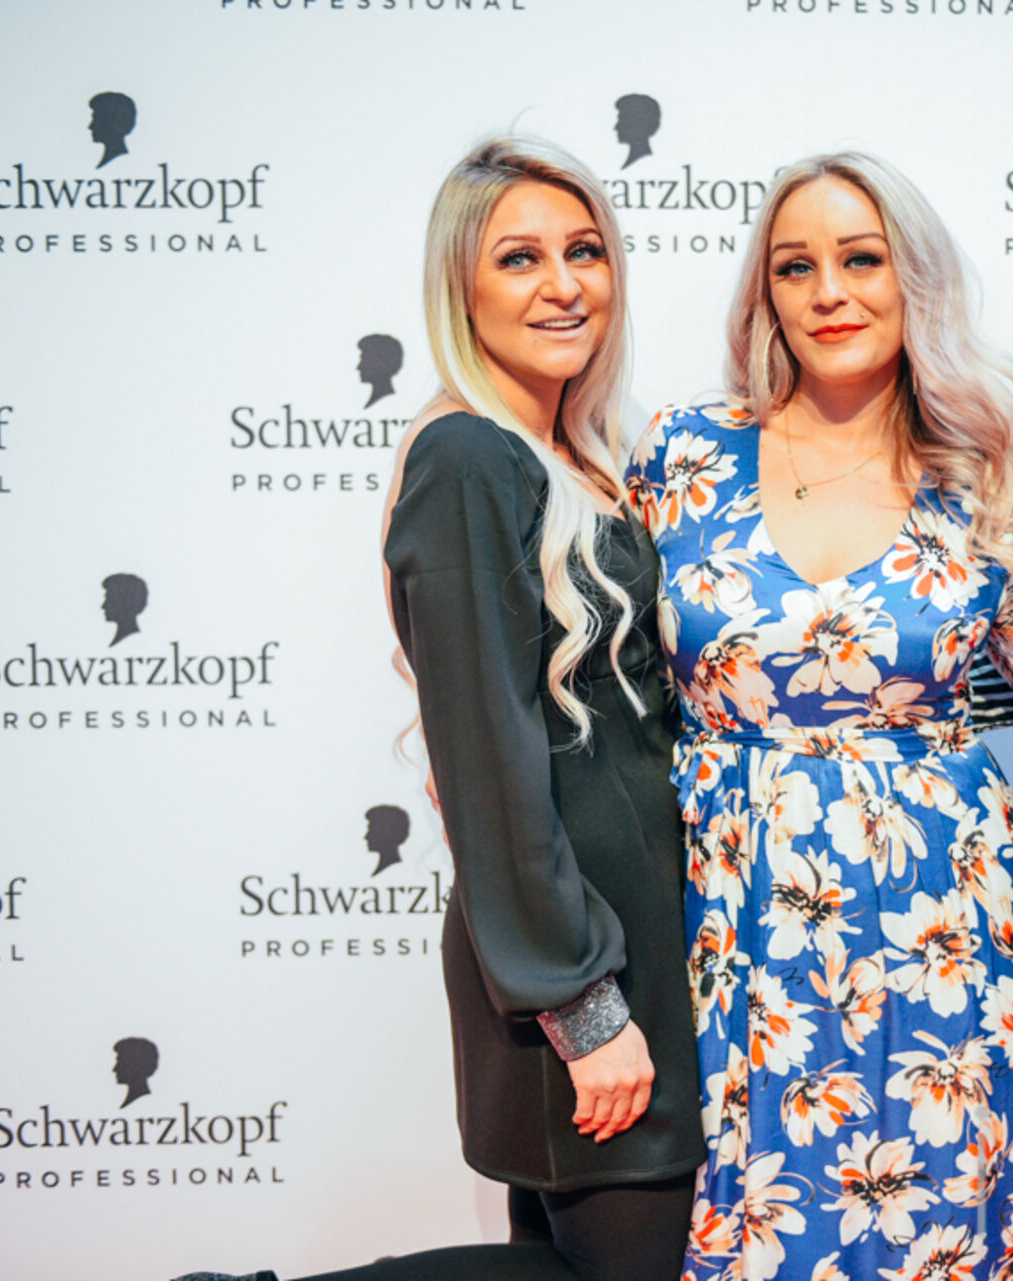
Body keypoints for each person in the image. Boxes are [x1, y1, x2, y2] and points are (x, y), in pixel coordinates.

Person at [625, 152, 1013, 1281]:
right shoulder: (683, 452)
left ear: (914, 276)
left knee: (943, 1225)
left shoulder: (989, 470)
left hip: (949, 927)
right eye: (795, 267)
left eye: (861, 259)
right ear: (763, 293)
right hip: (732, 920)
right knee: (754, 1225)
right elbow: (610, 689)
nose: (829, 293)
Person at [378, 135, 704, 1281]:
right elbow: (489, 762)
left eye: (585, 251)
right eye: (519, 258)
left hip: (634, 953)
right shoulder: (470, 458)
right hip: (580, 979)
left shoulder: (577, 453)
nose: (563, 286)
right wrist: (584, 1009)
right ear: (460, 288)